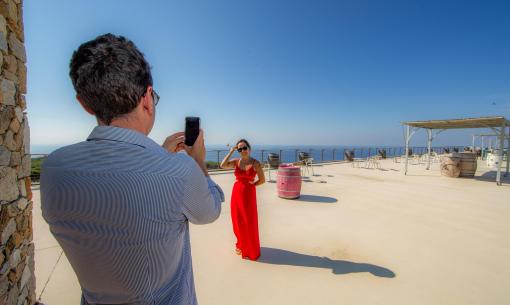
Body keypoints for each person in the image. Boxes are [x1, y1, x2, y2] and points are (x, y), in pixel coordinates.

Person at [40, 33, 224, 305]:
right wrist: (196, 161)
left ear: (84, 103)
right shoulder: (180, 171)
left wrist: (161, 156)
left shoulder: (54, 168)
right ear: (148, 98)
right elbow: (210, 211)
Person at [220, 139, 265, 260]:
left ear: (249, 148)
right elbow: (222, 165)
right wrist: (231, 152)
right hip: (237, 193)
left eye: (244, 148)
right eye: (240, 149)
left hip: (249, 195)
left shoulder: (255, 163)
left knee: (249, 221)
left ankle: (251, 248)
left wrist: (252, 185)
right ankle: (241, 244)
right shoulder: (236, 162)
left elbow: (262, 180)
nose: (243, 151)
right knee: (238, 221)